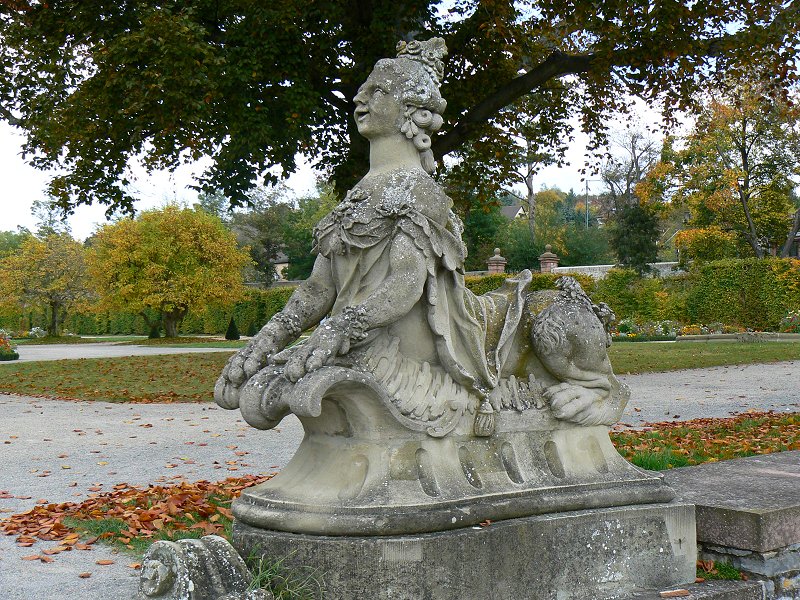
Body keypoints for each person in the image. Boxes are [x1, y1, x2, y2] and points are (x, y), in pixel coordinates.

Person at [215, 38, 624, 436]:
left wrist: (336, 332)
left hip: (415, 338)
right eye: (361, 92)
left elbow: (405, 284)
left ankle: (600, 389)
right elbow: (317, 289)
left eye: (376, 92)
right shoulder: (358, 195)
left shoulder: (418, 191)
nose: (360, 101)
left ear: (413, 111)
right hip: (366, 331)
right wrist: (263, 342)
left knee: (554, 321)